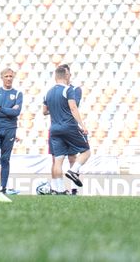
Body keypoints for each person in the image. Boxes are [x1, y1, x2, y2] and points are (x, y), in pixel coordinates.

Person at [42, 64, 90, 195]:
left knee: (58, 160)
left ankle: (59, 189)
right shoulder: (68, 90)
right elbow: (73, 108)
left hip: (54, 129)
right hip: (69, 126)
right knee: (86, 151)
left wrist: (56, 109)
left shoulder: (48, 92)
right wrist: (82, 125)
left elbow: (44, 111)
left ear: (55, 77)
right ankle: (73, 171)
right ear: (66, 76)